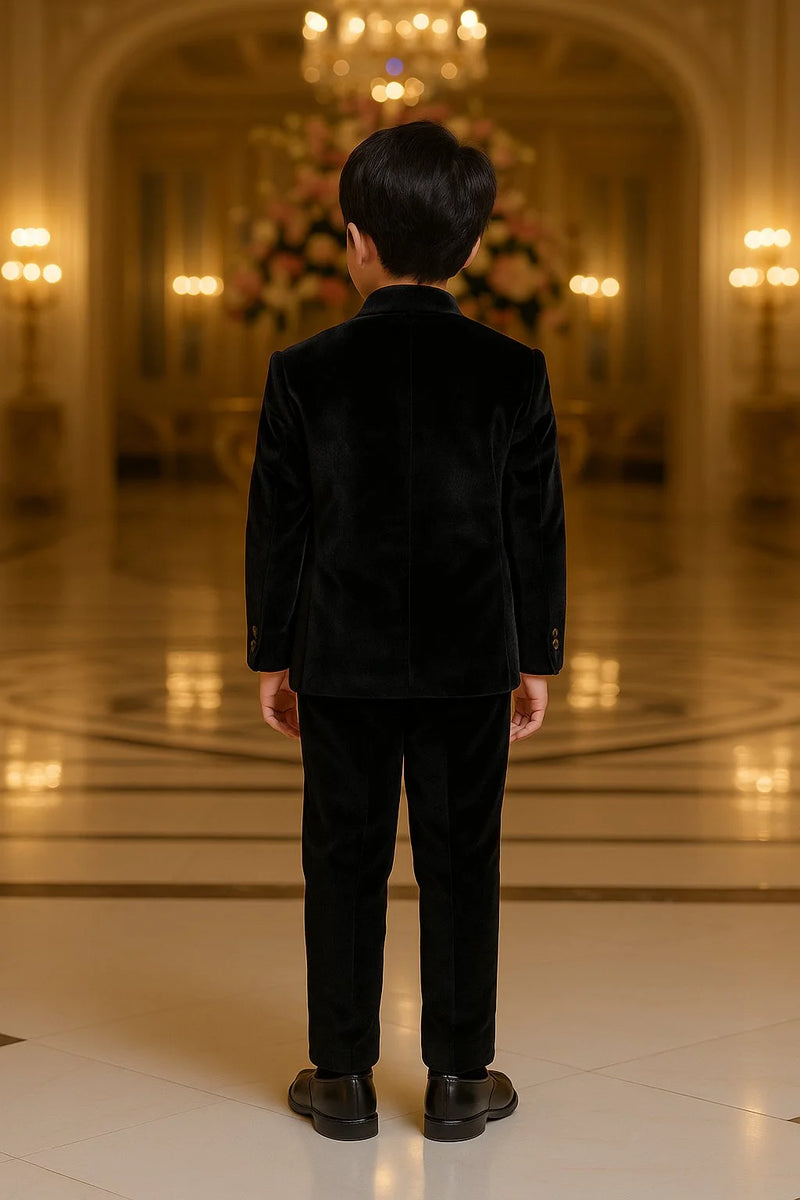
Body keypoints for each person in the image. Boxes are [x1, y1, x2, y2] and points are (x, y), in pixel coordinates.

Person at [244, 119, 566, 1143]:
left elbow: (279, 524)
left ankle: (339, 1077)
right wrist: (536, 659)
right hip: (472, 659)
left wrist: (272, 654)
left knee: (342, 859)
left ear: (355, 240)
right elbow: (534, 528)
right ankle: (460, 1078)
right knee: (462, 860)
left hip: (340, 657)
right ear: (469, 248)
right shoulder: (513, 370)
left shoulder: (304, 369)